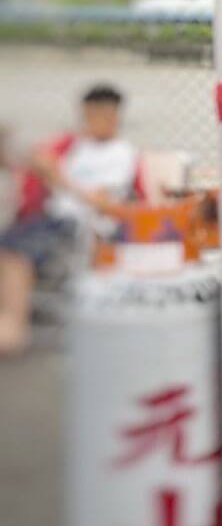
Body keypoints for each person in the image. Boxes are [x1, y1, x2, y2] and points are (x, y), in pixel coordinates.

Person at [0, 85, 142, 354]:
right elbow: (38, 163)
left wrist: (58, 178)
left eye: (96, 117)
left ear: (113, 117)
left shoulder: (121, 153)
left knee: (15, 249)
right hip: (51, 216)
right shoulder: (74, 145)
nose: (88, 123)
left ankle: (13, 326)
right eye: (86, 116)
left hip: (79, 224)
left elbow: (104, 204)